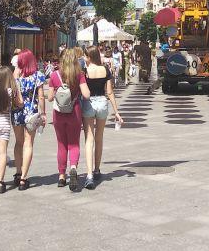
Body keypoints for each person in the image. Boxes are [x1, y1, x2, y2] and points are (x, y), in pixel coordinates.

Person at [48, 48, 90, 190]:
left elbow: (49, 98)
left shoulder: (54, 75)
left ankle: (61, 176)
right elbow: (86, 95)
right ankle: (73, 167)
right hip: (74, 111)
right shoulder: (79, 75)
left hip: (58, 113)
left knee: (61, 144)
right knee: (74, 143)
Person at [82, 46, 124, 189]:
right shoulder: (105, 69)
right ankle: (97, 169)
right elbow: (110, 92)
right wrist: (116, 111)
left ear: (89, 57)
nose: (83, 58)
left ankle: (89, 175)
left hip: (89, 103)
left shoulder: (85, 71)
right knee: (99, 138)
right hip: (102, 103)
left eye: (85, 56)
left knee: (89, 139)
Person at [11, 49, 47, 190]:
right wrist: (43, 114)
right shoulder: (38, 76)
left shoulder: (16, 75)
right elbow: (41, 96)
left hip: (16, 111)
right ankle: (24, 178)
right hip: (31, 111)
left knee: (18, 142)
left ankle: (18, 172)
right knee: (28, 143)